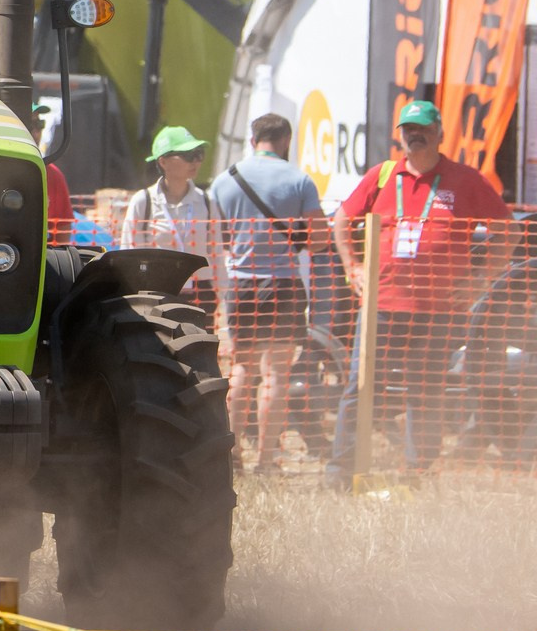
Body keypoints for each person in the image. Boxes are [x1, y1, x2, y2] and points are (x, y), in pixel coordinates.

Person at [328, 98, 512, 474]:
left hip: (438, 310)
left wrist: (482, 279)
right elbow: (341, 220)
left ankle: (418, 474)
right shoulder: (382, 175)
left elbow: (506, 230)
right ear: (400, 136)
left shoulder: (466, 180)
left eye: (423, 130)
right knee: (359, 388)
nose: (416, 137)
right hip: (380, 304)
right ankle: (341, 473)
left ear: (439, 134)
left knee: (425, 391)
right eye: (408, 131)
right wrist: (353, 266)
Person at [212, 112, 326, 473]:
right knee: (276, 374)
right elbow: (320, 237)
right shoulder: (300, 180)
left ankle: (231, 456)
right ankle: (265, 461)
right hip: (283, 284)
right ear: (286, 141)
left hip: (242, 284)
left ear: (252, 140)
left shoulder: (225, 180)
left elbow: (217, 236)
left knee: (242, 368)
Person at [119, 127, 228, 321]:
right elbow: (128, 254)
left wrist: (219, 294)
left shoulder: (207, 202)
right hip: (156, 294)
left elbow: (217, 253)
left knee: (198, 351)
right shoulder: (143, 201)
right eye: (188, 155)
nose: (196, 161)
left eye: (199, 154)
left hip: (200, 295)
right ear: (163, 161)